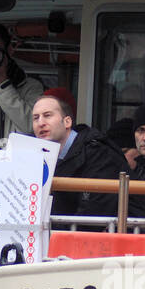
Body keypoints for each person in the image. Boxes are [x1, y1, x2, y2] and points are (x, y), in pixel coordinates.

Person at [29, 88, 128, 220]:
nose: (40, 123)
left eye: (47, 115)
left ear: (67, 122)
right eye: (36, 118)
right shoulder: (37, 155)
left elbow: (95, 211)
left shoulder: (98, 152)